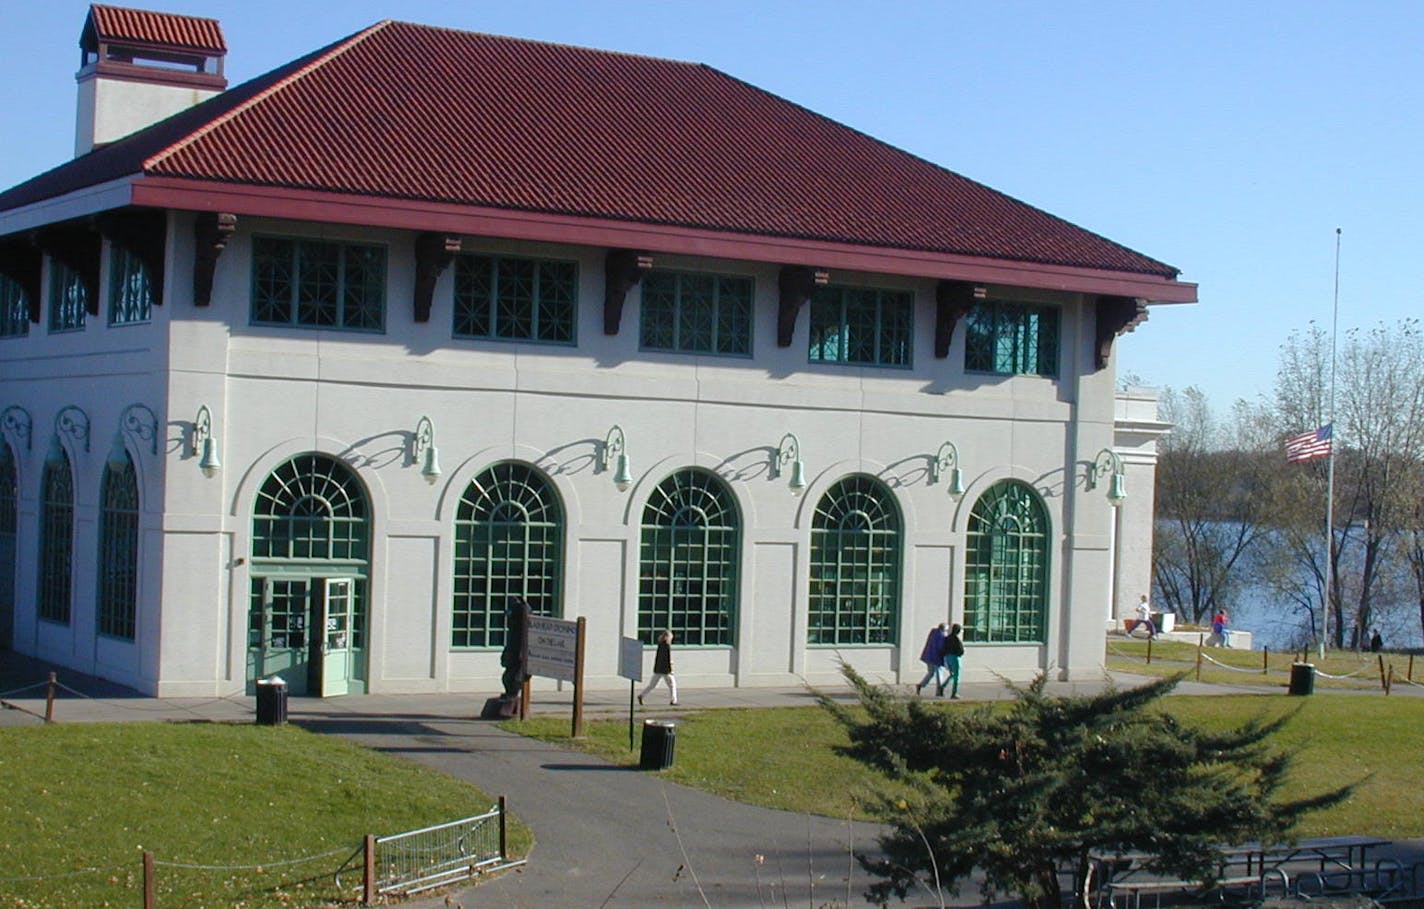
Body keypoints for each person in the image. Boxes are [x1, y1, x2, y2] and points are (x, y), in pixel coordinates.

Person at [638, 630, 678, 706]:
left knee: (652, 685)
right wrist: (670, 669)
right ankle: (673, 701)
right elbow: (667, 659)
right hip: (666, 670)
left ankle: (642, 695)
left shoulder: (660, 645)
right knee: (672, 685)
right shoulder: (666, 646)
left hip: (658, 669)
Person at [914, 623, 947, 695]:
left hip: (928, 657)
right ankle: (939, 690)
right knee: (939, 674)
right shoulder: (941, 636)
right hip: (937, 658)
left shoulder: (933, 634)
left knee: (931, 673)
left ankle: (921, 685)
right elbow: (941, 647)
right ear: (943, 629)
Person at [936, 623, 965, 699]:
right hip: (955, 658)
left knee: (952, 674)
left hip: (948, 657)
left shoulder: (947, 638)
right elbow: (961, 650)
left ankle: (942, 686)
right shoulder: (956, 639)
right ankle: (954, 693)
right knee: (956, 676)